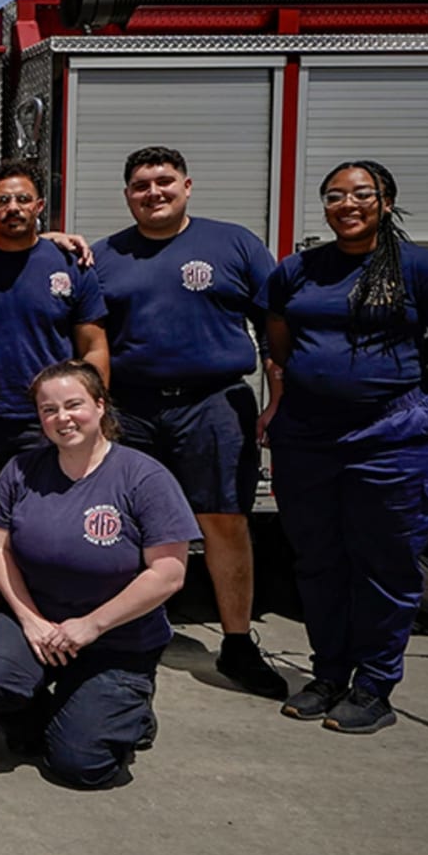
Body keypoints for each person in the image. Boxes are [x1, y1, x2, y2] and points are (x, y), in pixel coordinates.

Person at [262, 160, 428, 734]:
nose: (347, 204)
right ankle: (329, 674)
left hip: (392, 439)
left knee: (383, 564)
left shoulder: (423, 270)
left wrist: (403, 397)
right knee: (317, 561)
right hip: (308, 438)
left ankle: (374, 686)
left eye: (362, 194)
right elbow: (280, 346)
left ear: (386, 201)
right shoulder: (299, 271)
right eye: (334, 196)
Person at [89, 146, 287, 699]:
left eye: (164, 182)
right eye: (141, 185)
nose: (154, 193)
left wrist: (277, 400)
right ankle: (125, 631)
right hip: (131, 407)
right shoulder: (105, 257)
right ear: (126, 195)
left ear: (188, 186)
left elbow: (275, 330)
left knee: (223, 520)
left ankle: (239, 644)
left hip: (215, 403)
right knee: (125, 524)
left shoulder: (235, 244)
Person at [0, 360, 198, 786]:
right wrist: (29, 620)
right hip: (39, 626)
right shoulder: (22, 469)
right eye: (49, 410)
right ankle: (55, 719)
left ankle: (124, 708)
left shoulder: (144, 477)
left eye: (74, 405)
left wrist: (91, 626)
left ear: (101, 406)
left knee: (81, 767)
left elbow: (168, 573)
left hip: (116, 640)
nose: (61, 418)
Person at [0, 161, 108, 631]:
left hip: (50, 422)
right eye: (3, 201)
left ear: (40, 207)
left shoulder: (69, 264)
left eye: (23, 199)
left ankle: (46, 607)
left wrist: (94, 412)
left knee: (50, 517)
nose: (13, 208)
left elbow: (94, 344)